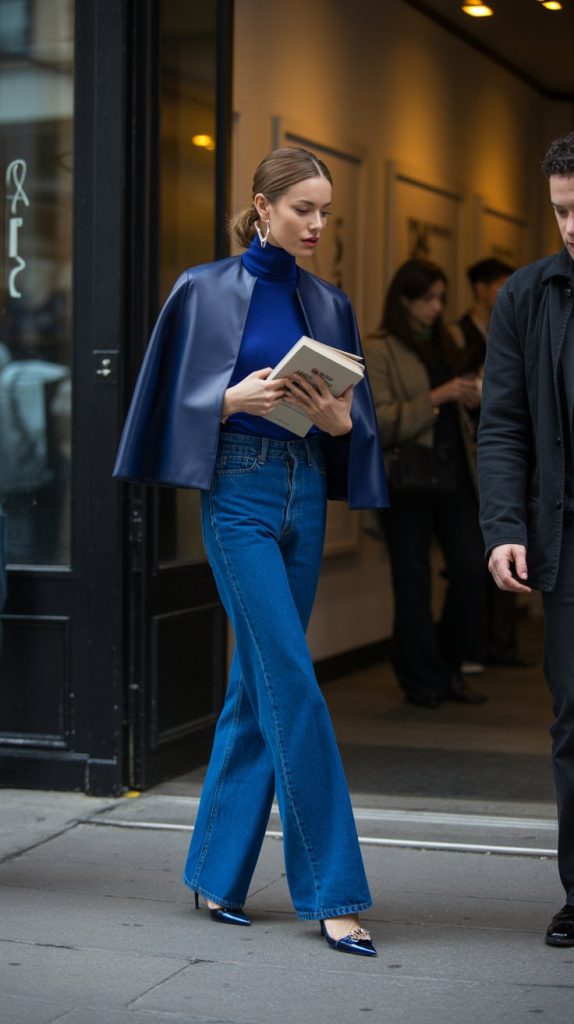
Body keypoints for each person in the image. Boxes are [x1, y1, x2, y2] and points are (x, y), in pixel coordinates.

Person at [114, 147, 389, 956]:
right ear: (261, 206)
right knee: (294, 684)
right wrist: (228, 400)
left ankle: (214, 874)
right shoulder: (202, 289)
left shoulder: (329, 303)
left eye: (325, 212)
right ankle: (333, 893)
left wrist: (344, 425)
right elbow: (158, 403)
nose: (315, 225)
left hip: (304, 486)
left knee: (256, 684)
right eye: (302, 208)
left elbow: (354, 423)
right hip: (237, 495)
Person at [478, 130, 574, 947]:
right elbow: (502, 425)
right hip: (567, 544)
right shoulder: (527, 297)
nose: (572, 226)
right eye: (560, 212)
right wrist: (505, 528)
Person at [363, 258, 486, 709]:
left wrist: (472, 396)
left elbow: (465, 409)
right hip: (408, 481)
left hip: (455, 477)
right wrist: (438, 397)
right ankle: (420, 678)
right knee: (411, 583)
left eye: (440, 298)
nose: (435, 308)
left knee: (472, 571)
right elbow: (379, 420)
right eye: (427, 298)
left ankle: (450, 667)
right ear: (404, 299)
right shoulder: (379, 348)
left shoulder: (449, 341)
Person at [450, 258, 532, 671]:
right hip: (475, 448)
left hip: (502, 443)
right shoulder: (460, 333)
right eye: (499, 284)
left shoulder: (518, 316)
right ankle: (478, 645)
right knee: (483, 552)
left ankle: (502, 643)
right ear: (481, 289)